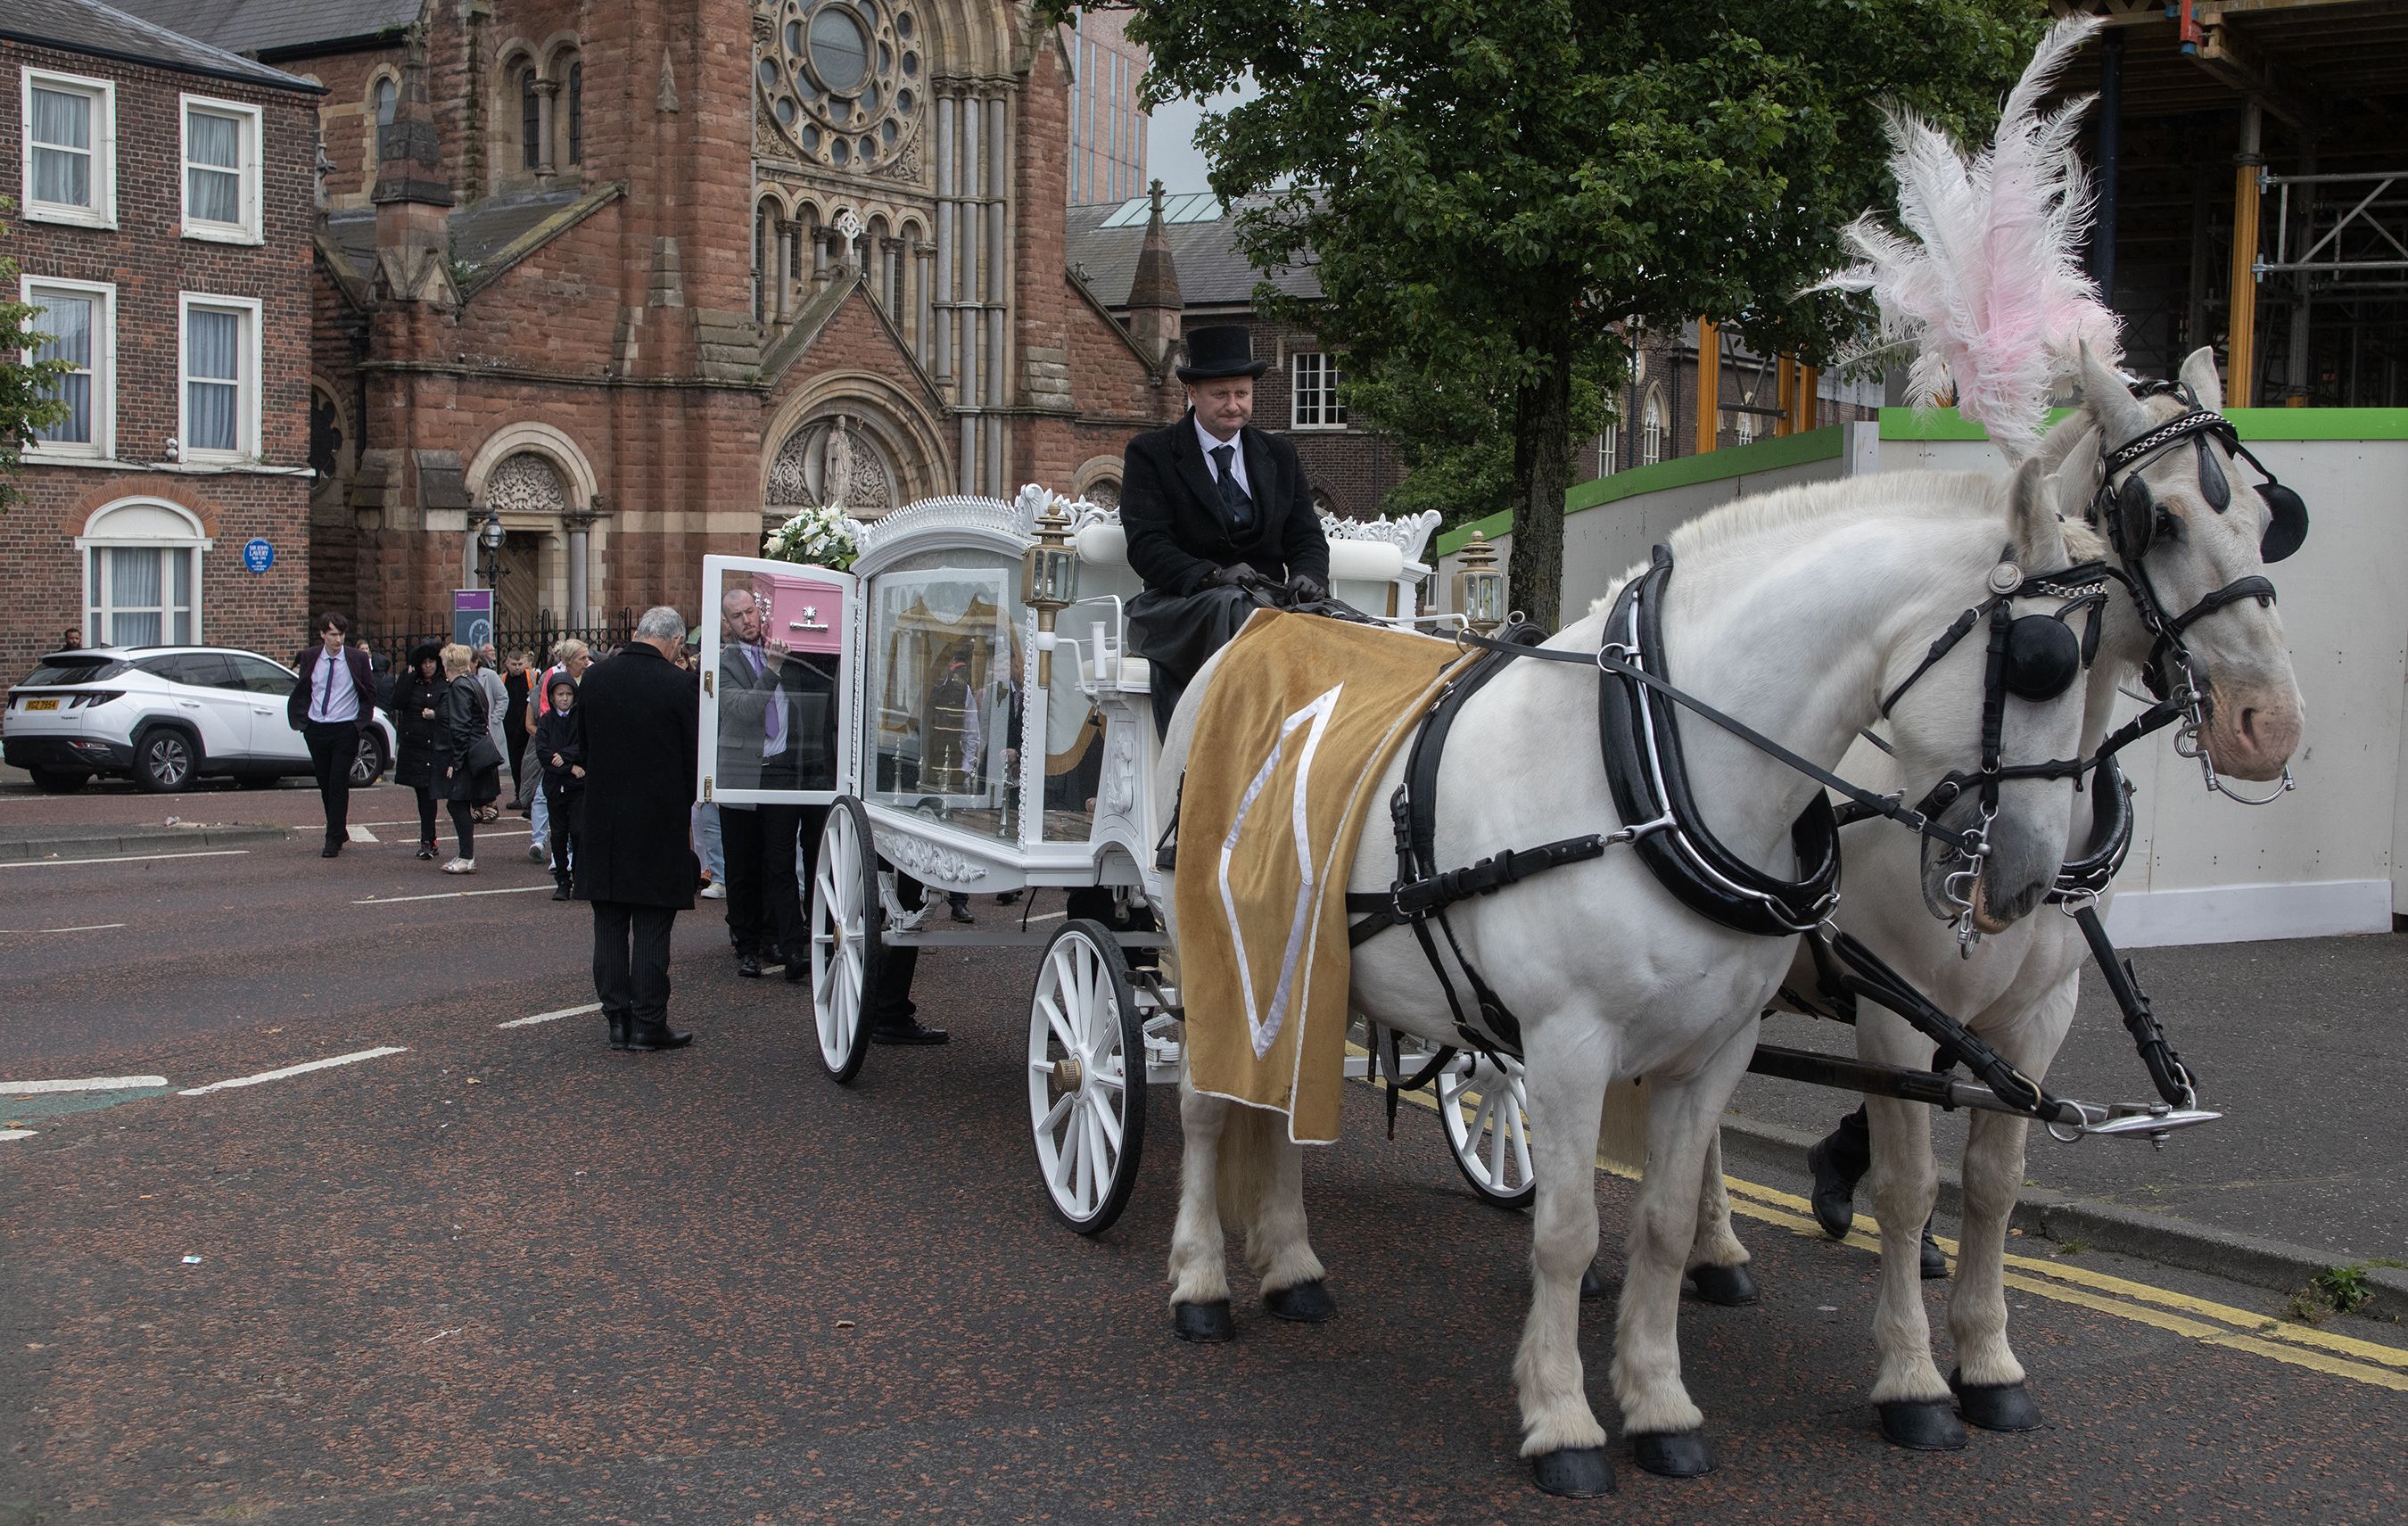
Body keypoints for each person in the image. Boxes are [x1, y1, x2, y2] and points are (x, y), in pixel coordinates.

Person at [1120, 323, 1332, 730]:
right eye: (1221, 395)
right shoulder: (1151, 454)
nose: (1234, 405)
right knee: (1233, 606)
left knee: (1335, 619)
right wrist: (1213, 576)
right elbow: (1147, 545)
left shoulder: (1280, 453)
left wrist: (1310, 576)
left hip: (1268, 600)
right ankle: (1234, 735)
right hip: (1182, 606)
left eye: (1242, 394)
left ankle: (1321, 737)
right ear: (1192, 393)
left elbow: (1306, 535)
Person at [573, 606, 701, 1052]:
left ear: (639, 632)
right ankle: (648, 1023)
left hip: (603, 817)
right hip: (657, 818)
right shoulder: (679, 684)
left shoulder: (595, 678)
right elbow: (692, 757)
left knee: (609, 922)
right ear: (674, 641)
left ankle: (616, 1019)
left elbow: (584, 746)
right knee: (651, 923)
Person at [715, 586, 837, 983]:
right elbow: (744, 709)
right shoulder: (724, 662)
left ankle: (789, 946)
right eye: (737, 616)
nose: (747, 620)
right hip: (742, 772)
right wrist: (771, 669)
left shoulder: (785, 649)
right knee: (742, 865)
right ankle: (747, 946)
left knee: (780, 861)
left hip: (783, 770)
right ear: (727, 623)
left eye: (750, 611)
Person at [285, 610, 380, 857]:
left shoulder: (357, 659)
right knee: (325, 783)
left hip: (345, 728)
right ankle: (339, 829)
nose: (338, 640)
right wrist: (305, 723)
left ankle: (332, 837)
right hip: (316, 728)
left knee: (338, 782)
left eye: (342, 634)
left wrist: (359, 724)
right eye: (333, 634)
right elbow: (304, 689)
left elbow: (369, 692)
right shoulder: (310, 657)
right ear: (322, 634)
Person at [436, 643, 501, 872]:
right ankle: (465, 855)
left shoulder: (459, 687)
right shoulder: (472, 682)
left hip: (467, 755)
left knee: (456, 804)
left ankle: (466, 856)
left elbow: (460, 726)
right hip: (475, 751)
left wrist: (456, 761)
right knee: (460, 804)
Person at [527, 639, 592, 863]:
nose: (587, 661)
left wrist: (567, 757)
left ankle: (574, 855)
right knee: (543, 796)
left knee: (577, 814)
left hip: (575, 751)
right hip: (554, 749)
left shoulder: (591, 676)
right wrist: (563, 759)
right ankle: (544, 843)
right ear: (569, 660)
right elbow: (546, 712)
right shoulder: (551, 675)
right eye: (582, 658)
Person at [390, 642, 449, 861]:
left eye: (431, 661)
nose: (428, 666)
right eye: (424, 662)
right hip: (416, 745)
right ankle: (428, 839)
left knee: (439, 794)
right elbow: (397, 701)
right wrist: (408, 676)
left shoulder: (444, 683)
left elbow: (452, 709)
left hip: (438, 745)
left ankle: (432, 838)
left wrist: (436, 714)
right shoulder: (411, 681)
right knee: (424, 794)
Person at [532, 671, 585, 899]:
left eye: (569, 694)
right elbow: (544, 753)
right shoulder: (546, 721)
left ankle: (580, 876)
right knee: (559, 834)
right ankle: (562, 880)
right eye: (560, 694)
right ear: (552, 697)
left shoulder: (580, 719)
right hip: (556, 785)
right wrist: (569, 767)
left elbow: (584, 746)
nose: (565, 698)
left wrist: (564, 756)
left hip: (578, 787)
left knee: (578, 831)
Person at [472, 649, 511, 824]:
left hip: (488, 729)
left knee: (489, 768)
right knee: (474, 768)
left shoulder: (489, 675)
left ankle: (491, 804)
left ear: (475, 662)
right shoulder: (462, 678)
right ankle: (477, 806)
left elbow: (503, 697)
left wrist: (495, 718)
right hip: (472, 730)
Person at [501, 651, 534, 805]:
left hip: (528, 726)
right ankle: (519, 794)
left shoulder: (532, 677)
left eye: (520, 664)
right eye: (514, 664)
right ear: (507, 664)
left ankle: (530, 794)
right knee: (515, 762)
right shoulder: (502, 679)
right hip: (510, 727)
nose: (517, 667)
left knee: (529, 762)